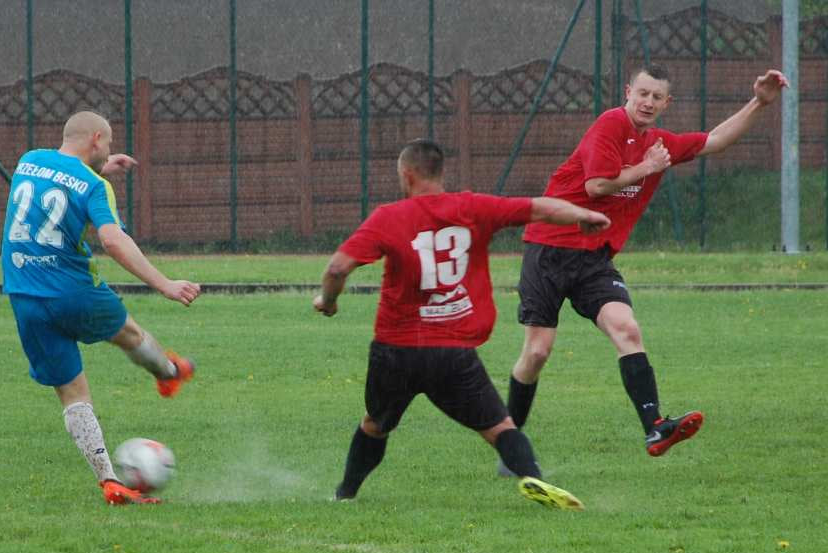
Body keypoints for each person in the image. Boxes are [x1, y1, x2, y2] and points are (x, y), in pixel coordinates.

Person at [503, 66, 788, 470]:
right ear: (627, 93)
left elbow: (715, 140)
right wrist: (646, 168)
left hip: (594, 259)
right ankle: (510, 440)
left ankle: (655, 427)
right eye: (643, 93)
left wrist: (759, 102)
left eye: (657, 97)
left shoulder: (659, 144)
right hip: (549, 247)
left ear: (667, 104)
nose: (648, 102)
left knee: (627, 328)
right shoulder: (611, 124)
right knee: (537, 351)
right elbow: (596, 186)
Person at [313, 139, 611, 509]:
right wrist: (581, 215)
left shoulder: (389, 217)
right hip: (452, 352)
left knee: (375, 424)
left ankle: (344, 495)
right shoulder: (473, 207)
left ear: (407, 175)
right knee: (500, 428)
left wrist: (328, 301)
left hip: (397, 350)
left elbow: (338, 267)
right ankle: (534, 478)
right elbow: (539, 208)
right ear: (441, 173)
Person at [1, 111, 201, 505]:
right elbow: (112, 240)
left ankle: (110, 480)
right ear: (96, 138)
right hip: (73, 289)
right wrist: (164, 284)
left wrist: (104, 166)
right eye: (107, 144)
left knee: (72, 393)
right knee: (128, 334)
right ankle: (169, 373)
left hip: (23, 294)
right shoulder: (95, 186)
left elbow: (59, 179)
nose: (109, 150)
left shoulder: (28, 160)